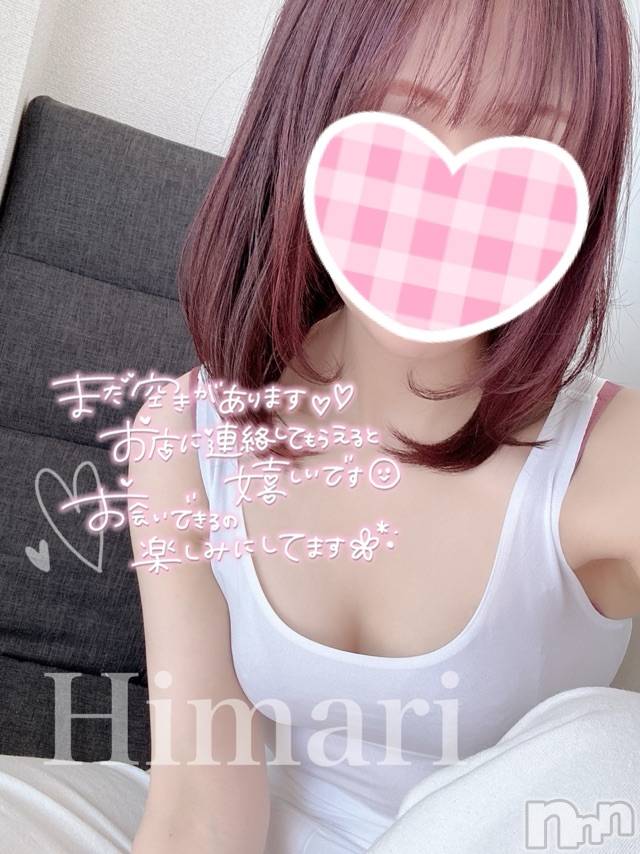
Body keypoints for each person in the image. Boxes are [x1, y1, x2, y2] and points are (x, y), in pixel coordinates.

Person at [129, 1, 639, 852]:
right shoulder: (186, 433)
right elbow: (198, 805)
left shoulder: (611, 462)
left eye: (528, 148)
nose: (450, 215)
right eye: (398, 120)